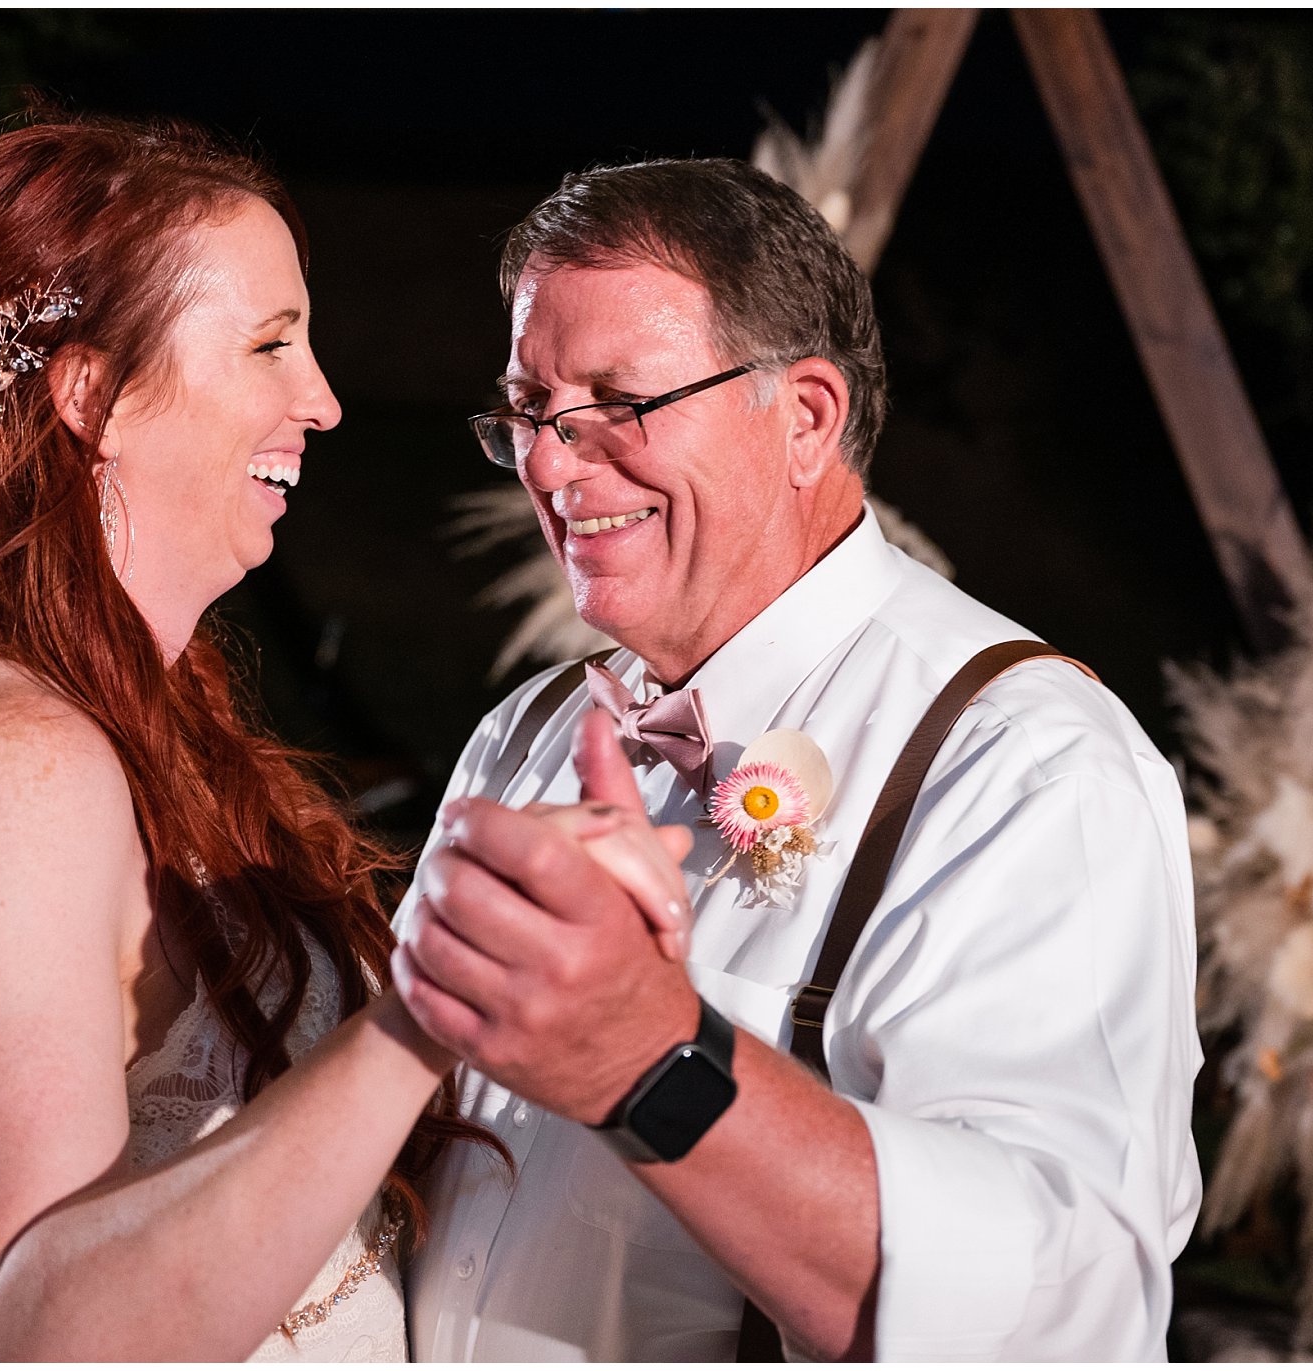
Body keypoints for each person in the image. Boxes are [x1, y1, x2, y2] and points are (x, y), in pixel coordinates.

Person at [0, 114, 556, 1362]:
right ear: (93, 395)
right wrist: (427, 1017)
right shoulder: (7, 760)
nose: (322, 402)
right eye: (269, 346)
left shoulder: (138, 717)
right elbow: (23, 1328)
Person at [391, 158, 1204, 1361]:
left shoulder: (1026, 766)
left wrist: (653, 1060)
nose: (552, 467)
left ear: (806, 419)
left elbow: (1051, 1307)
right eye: (528, 412)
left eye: (616, 404)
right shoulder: (526, 734)